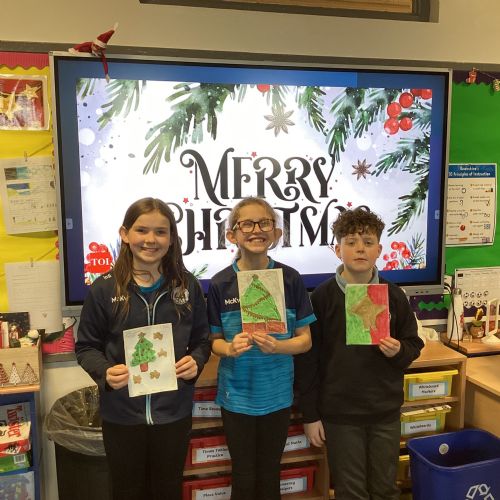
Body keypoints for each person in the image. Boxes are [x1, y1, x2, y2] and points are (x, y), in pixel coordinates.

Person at [75, 197, 211, 500]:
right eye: (142, 230)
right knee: (127, 491)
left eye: (161, 232)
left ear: (171, 238)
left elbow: (203, 340)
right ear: (125, 234)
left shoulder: (187, 285)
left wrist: (196, 361)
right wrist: (105, 372)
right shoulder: (103, 289)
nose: (151, 239)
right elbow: (86, 347)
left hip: (173, 414)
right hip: (121, 416)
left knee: (167, 489)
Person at [295, 207, 424, 500]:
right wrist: (311, 415)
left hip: (384, 410)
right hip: (340, 413)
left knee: (386, 488)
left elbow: (413, 345)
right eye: (351, 242)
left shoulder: (394, 295)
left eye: (367, 242)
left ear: (379, 250)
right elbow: (309, 360)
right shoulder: (321, 298)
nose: (360, 249)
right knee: (350, 491)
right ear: (337, 250)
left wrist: (398, 350)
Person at [207, 197, 315, 500]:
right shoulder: (220, 283)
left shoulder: (290, 279)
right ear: (232, 235)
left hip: (277, 394)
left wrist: (279, 346)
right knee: (243, 475)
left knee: (269, 474)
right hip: (236, 395)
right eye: (247, 224)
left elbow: (305, 340)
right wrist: (229, 348)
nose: (257, 230)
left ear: (276, 233)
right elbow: (214, 341)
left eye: (265, 223)